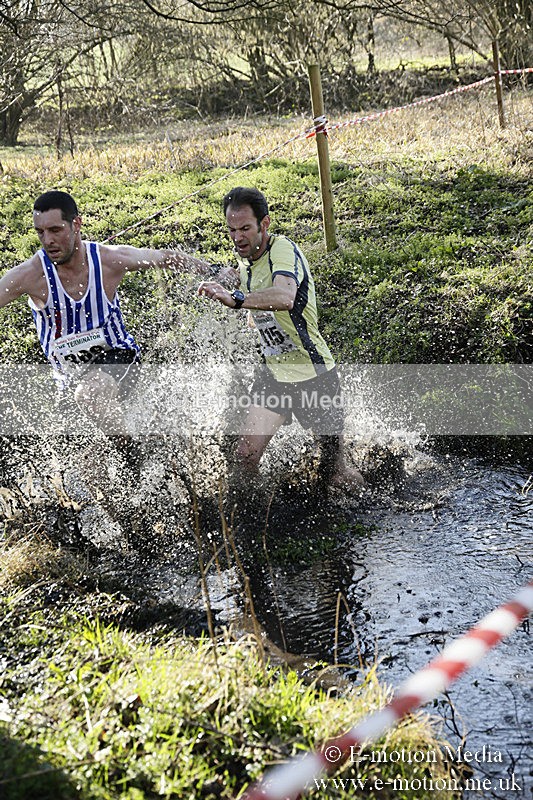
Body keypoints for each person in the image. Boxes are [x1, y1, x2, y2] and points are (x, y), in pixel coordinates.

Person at [0, 190, 235, 441]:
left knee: (91, 393)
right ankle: (131, 461)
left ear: (76, 224)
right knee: (89, 468)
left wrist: (214, 270)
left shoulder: (108, 260)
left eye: (56, 230)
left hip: (118, 358)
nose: (47, 241)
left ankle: (132, 456)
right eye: (40, 232)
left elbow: (164, 258)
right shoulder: (30, 275)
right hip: (69, 379)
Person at [198, 186, 364, 490]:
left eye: (245, 228)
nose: (237, 238)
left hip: (314, 375)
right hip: (274, 376)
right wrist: (223, 283)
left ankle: (378, 509)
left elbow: (286, 296)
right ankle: (259, 517)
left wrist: (237, 299)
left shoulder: (283, 249)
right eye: (232, 230)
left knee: (334, 475)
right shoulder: (245, 260)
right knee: (244, 457)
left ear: (265, 224)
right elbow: (254, 289)